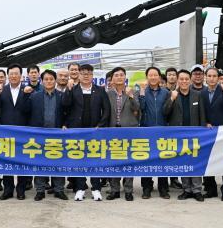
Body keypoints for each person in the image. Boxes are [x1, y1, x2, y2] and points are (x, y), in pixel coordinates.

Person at [62, 64, 110, 201]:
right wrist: (68, 90)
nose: (86, 75)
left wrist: (100, 126)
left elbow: (106, 110)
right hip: (77, 131)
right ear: (79, 75)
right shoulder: (73, 89)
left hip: (95, 131)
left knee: (94, 160)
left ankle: (96, 188)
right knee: (79, 160)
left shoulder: (100, 91)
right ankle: (80, 188)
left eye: (89, 73)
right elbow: (65, 106)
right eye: (83, 73)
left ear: (92, 75)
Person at [22, 69, 68, 201]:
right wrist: (25, 95)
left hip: (57, 135)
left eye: (51, 79)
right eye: (46, 79)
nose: (48, 81)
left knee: (59, 163)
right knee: (40, 163)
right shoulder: (35, 96)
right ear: (42, 81)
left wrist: (65, 124)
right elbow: (25, 111)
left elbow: (67, 113)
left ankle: (59, 189)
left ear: (55, 81)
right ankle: (40, 190)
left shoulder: (61, 96)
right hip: (39, 136)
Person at [163, 69, 207, 201]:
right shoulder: (171, 94)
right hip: (179, 134)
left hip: (195, 134)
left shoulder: (197, 95)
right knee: (183, 162)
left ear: (190, 80)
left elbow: (202, 114)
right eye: (181, 79)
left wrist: (203, 131)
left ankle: (197, 190)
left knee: (195, 162)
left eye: (186, 79)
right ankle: (186, 189)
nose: (184, 81)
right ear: (177, 80)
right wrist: (172, 99)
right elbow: (165, 113)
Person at [0, 63, 31, 200]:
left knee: (22, 161)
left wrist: (26, 95)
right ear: (8, 76)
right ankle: (8, 189)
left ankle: (21, 190)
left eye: (16, 73)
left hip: (23, 132)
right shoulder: (2, 89)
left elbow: (29, 110)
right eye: (11, 74)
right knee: (6, 162)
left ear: (21, 76)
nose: (14, 76)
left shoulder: (27, 90)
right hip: (5, 131)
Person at [106, 67, 139, 201]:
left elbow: (137, 109)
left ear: (125, 77)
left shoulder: (133, 92)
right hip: (112, 131)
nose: (119, 77)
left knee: (128, 161)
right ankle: (114, 190)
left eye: (122, 75)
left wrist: (131, 97)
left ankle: (128, 190)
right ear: (112, 79)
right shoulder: (108, 94)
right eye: (116, 75)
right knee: (114, 161)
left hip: (128, 130)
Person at [200, 67, 223, 201]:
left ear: (218, 78)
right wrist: (205, 122)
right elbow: (201, 111)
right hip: (208, 131)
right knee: (208, 161)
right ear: (206, 78)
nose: (212, 78)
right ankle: (211, 189)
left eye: (214, 76)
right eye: (209, 76)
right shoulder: (201, 93)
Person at [138, 66, 171, 199]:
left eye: (155, 75)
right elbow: (141, 107)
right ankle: (146, 187)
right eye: (150, 75)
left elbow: (168, 110)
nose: (153, 77)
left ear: (159, 77)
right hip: (147, 129)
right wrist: (141, 93)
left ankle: (163, 188)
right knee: (146, 160)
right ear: (147, 77)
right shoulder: (143, 91)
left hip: (163, 130)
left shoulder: (165, 92)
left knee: (163, 159)